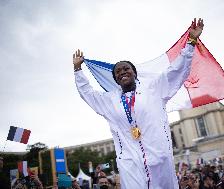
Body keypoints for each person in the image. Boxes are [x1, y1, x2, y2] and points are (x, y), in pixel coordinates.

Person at [73, 18, 204, 189]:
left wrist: (191, 42)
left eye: (126, 69)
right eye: (118, 72)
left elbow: (176, 70)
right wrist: (77, 70)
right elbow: (88, 94)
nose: (122, 72)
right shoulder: (110, 100)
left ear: (134, 73)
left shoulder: (154, 88)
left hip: (158, 157)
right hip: (130, 162)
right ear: (116, 79)